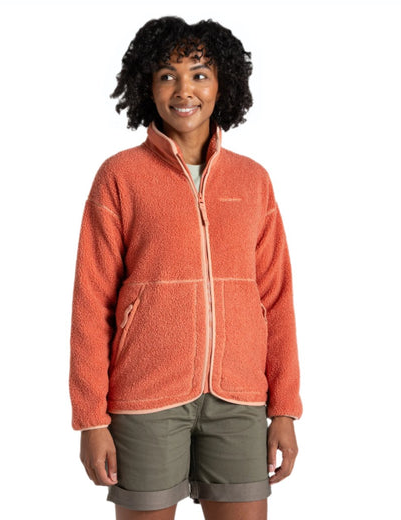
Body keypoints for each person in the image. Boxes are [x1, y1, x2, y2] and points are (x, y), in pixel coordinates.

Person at [69, 16, 303, 520]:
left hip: (239, 398)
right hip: (145, 397)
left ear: (222, 85)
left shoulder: (253, 180)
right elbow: (91, 301)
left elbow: (276, 297)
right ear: (147, 86)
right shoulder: (120, 176)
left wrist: (284, 408)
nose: (184, 90)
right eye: (167, 75)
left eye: (199, 74)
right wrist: (91, 419)